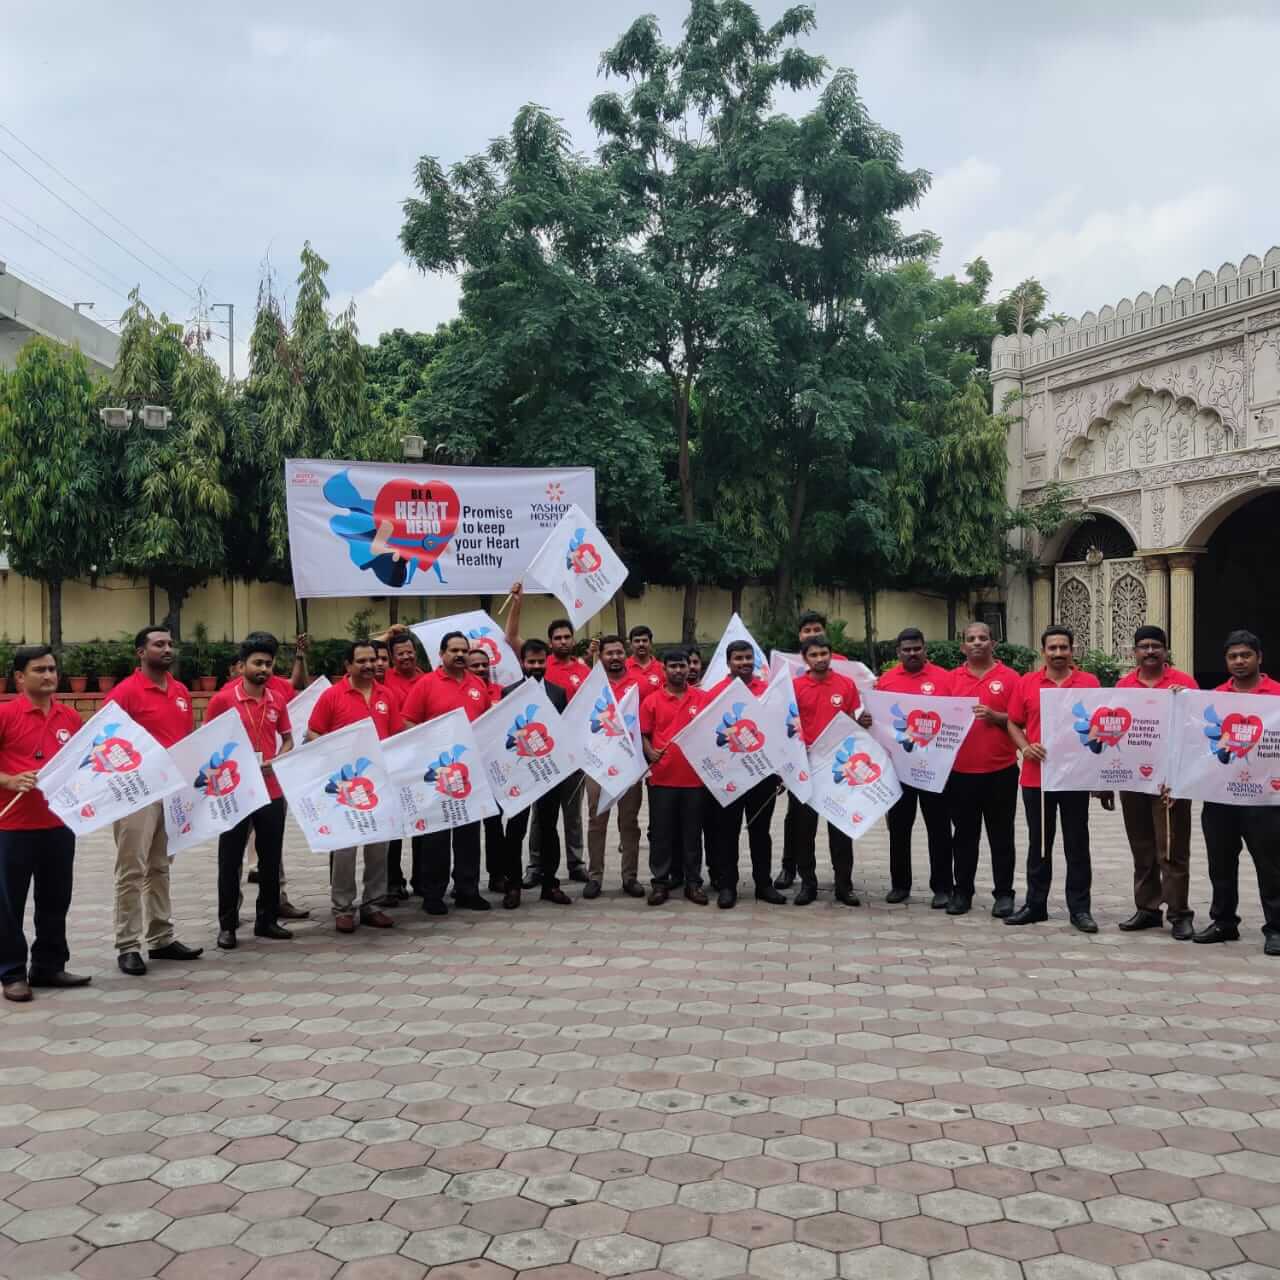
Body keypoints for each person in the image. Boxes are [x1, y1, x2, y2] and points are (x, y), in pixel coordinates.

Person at [106, 626, 203, 976]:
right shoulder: (124, 693)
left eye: (170, 644)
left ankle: (161, 938)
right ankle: (128, 945)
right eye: (159, 644)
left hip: (172, 792)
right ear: (140, 652)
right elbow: (107, 742)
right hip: (137, 795)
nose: (167, 649)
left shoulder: (180, 691)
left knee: (160, 866)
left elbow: (186, 738)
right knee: (132, 869)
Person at [1005, 624, 1113, 932]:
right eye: (1052, 648)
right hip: (1036, 778)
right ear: (1043, 652)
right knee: (1039, 843)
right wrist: (1025, 747)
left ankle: (1080, 909)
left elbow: (1102, 726)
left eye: (1063, 647)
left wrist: (1101, 778)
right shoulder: (1027, 683)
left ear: (1072, 650)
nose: (1058, 653)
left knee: (1077, 843)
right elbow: (1012, 723)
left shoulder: (1089, 683)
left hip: (1075, 777)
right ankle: (1035, 905)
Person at [0, 646, 91, 1002]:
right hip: (12, 827)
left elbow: (82, 765)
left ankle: (49, 965)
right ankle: (11, 973)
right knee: (9, 904)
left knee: (55, 899)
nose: (49, 675)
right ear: (19, 678)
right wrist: (9, 780)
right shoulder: (6, 714)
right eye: (39, 670)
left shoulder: (70, 717)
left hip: (58, 824)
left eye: (52, 669)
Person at [205, 634, 295, 951]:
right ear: (242, 666)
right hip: (235, 791)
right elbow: (208, 741)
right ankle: (227, 926)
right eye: (257, 663)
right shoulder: (222, 700)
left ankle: (267, 920)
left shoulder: (277, 700)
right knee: (230, 860)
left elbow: (288, 739)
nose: (264, 669)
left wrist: (279, 758)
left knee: (270, 859)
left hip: (270, 790)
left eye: (268, 664)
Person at [1193, 630, 1280, 954]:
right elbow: (1196, 741)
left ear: (1259, 657)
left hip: (1265, 799)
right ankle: (1224, 921)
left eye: (1245, 655)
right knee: (1220, 864)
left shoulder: (1277, 696)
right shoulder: (1215, 698)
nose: (1239, 661)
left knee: (1271, 866)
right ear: (1226, 661)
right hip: (1221, 797)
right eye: (1233, 656)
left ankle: (1276, 928)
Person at [306, 640, 400, 933]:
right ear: (348, 665)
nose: (370, 665)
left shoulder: (387, 695)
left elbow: (396, 736)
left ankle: (373, 904)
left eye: (373, 659)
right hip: (344, 788)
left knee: (378, 848)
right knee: (345, 850)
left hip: (378, 786)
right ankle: (343, 907)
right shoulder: (332, 696)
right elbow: (313, 732)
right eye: (362, 661)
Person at [1115, 625, 1197, 940]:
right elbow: (1113, 730)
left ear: (1165, 651)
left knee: (1172, 849)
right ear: (1134, 652)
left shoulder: (1184, 684)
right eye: (1144, 646)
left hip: (1170, 782)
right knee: (1142, 848)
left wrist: (1183, 701)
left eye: (1156, 646)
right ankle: (1148, 909)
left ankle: (1179, 913)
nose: (1150, 651)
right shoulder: (1123, 685)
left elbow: (1195, 731)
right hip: (1133, 780)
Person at [503, 587, 589, 886]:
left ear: (573, 640)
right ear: (550, 643)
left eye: (567, 637)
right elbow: (511, 637)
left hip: (569, 754)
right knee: (540, 817)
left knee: (572, 813)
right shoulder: (540, 660)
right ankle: (535, 866)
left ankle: (576, 863)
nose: (563, 641)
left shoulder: (584, 670)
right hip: (533, 756)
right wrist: (517, 603)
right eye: (558, 637)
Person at [402, 632, 491, 914]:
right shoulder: (426, 684)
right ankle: (433, 894)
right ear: (441, 654)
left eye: (464, 650)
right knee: (436, 837)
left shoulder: (478, 684)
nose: (460, 655)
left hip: (468, 775)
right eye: (454, 650)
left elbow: (486, 723)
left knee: (469, 834)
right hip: (436, 774)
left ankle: (467, 889)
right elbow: (408, 722)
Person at [944, 622, 1020, 917]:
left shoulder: (1011, 678)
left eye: (983, 638)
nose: (977, 642)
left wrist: (996, 717)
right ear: (962, 646)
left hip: (1001, 770)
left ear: (993, 643)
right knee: (963, 836)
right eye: (971, 638)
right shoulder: (950, 680)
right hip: (960, 772)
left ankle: (1004, 894)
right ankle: (962, 892)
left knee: (1002, 836)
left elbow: (1021, 721)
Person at [790, 634, 871, 906]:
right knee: (804, 830)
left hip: (839, 769)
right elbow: (787, 726)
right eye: (813, 655)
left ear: (831, 654)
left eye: (824, 653)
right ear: (805, 659)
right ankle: (808, 884)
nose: (820, 659)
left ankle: (844, 885)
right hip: (806, 769)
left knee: (841, 828)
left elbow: (854, 722)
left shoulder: (846, 685)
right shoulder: (794, 687)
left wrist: (863, 721)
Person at [877, 628, 955, 908]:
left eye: (917, 648)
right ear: (898, 652)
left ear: (925, 649)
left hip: (934, 769)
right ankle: (900, 885)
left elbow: (955, 718)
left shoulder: (945, 678)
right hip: (898, 769)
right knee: (899, 828)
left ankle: (943, 887)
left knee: (939, 828)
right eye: (907, 650)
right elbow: (877, 720)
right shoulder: (885, 682)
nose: (912, 653)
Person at [706, 640, 787, 908]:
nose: (744, 663)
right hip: (728, 777)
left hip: (762, 775)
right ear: (728, 662)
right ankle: (728, 886)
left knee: (760, 832)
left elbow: (779, 733)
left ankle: (763, 885)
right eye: (738, 658)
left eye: (748, 658)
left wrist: (781, 772)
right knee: (727, 833)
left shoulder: (768, 691)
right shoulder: (715, 693)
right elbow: (708, 736)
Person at [494, 639, 574, 910]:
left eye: (541, 662)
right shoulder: (509, 693)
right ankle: (513, 885)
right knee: (515, 830)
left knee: (549, 829)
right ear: (522, 663)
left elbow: (562, 732)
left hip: (548, 773)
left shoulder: (558, 693)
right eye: (531, 662)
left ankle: (550, 884)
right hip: (519, 773)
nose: (536, 666)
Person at [777, 610, 842, 890]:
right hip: (802, 761)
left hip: (836, 760)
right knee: (797, 819)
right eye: (807, 630)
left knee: (837, 817)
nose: (813, 635)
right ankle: (790, 868)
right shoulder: (784, 669)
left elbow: (858, 705)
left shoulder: (844, 669)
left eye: (817, 630)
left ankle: (843, 879)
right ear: (799, 637)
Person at [640, 649, 709, 905]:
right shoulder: (651, 701)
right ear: (664, 669)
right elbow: (643, 733)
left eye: (682, 666)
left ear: (689, 668)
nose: (679, 670)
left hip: (695, 780)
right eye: (673, 666)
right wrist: (649, 751)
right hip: (661, 779)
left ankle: (693, 883)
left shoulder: (703, 698)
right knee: (661, 834)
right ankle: (660, 883)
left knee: (692, 835)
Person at [583, 636, 646, 901]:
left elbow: (647, 720)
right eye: (609, 653)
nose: (615, 657)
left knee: (629, 822)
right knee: (596, 821)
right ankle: (595, 876)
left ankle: (629, 877)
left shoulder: (640, 684)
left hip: (630, 763)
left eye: (619, 652)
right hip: (598, 764)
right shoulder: (592, 685)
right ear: (601, 657)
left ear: (626, 653)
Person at [381, 629, 426, 901]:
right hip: (391, 761)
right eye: (400, 653)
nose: (406, 657)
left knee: (422, 823)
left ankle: (422, 878)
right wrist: (387, 635)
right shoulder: (383, 678)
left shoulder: (427, 679)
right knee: (394, 824)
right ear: (391, 657)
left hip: (420, 761)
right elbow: (365, 651)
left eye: (410, 652)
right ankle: (392, 881)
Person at [468, 645, 508, 892]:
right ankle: (465, 881)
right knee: (468, 828)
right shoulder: (462, 691)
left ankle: (497, 874)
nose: (481, 669)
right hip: (467, 770)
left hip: (493, 768)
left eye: (485, 665)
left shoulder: (501, 691)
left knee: (494, 824)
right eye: (475, 665)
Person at [627, 625, 664, 695]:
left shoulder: (662, 668)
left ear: (651, 643)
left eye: (644, 640)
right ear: (631, 645)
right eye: (637, 641)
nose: (641, 644)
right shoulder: (623, 667)